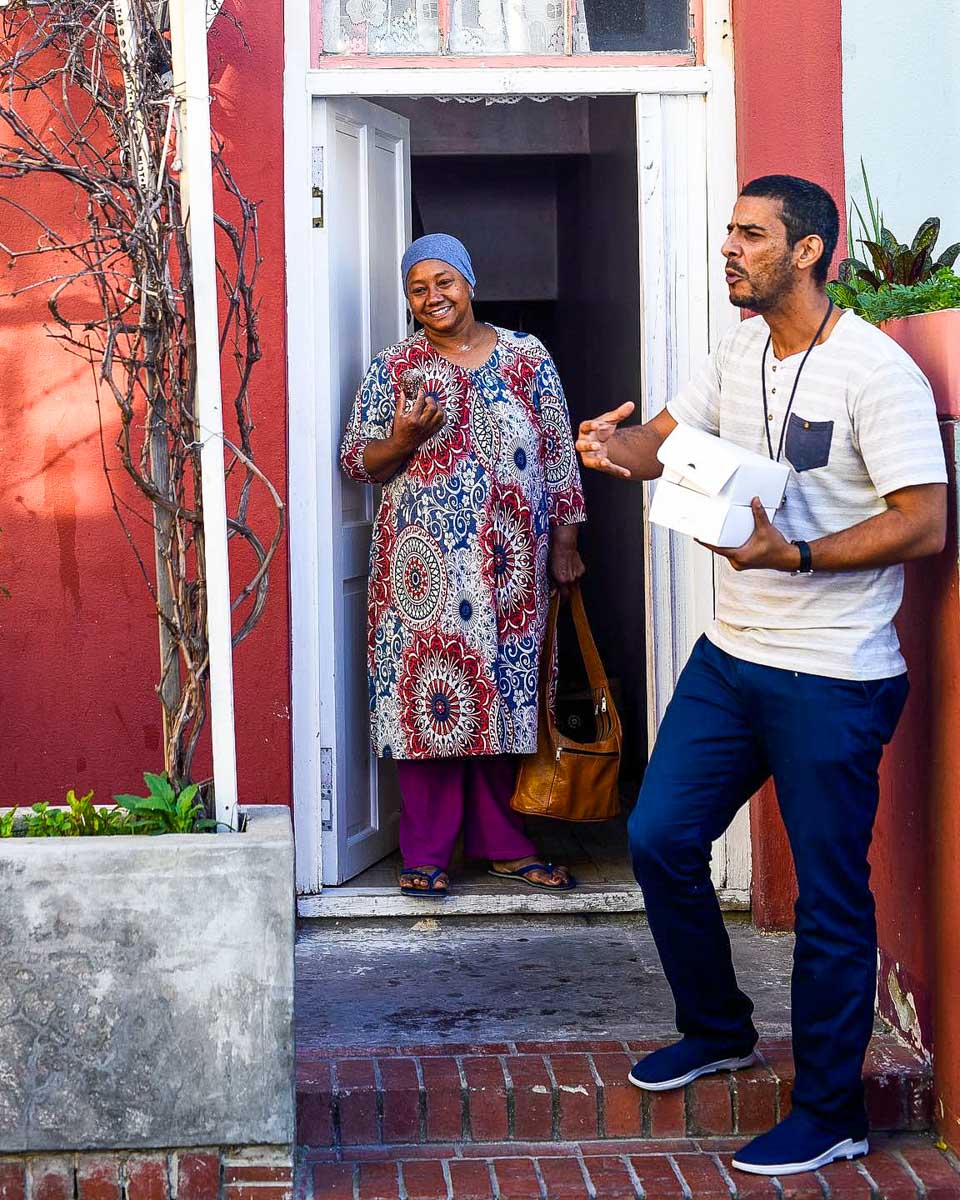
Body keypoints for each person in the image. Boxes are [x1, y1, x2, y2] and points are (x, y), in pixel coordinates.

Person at [576, 176, 947, 1176]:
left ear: (812, 250)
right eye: (730, 232)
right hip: (734, 658)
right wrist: (616, 449)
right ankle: (719, 1026)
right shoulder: (742, 349)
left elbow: (924, 519)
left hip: (833, 674)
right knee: (658, 836)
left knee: (831, 896)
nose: (730, 248)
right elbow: (665, 442)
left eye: (752, 234)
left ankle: (832, 1110)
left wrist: (801, 557)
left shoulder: (876, 373)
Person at [340, 233, 587, 899]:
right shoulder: (393, 370)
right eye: (418, 288)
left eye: (443, 281)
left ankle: (503, 843)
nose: (432, 297)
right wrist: (404, 439)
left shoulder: (526, 358)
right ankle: (426, 851)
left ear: (470, 282)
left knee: (503, 698)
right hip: (422, 571)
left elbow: (560, 454)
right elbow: (356, 461)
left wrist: (565, 544)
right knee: (431, 699)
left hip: (513, 566)